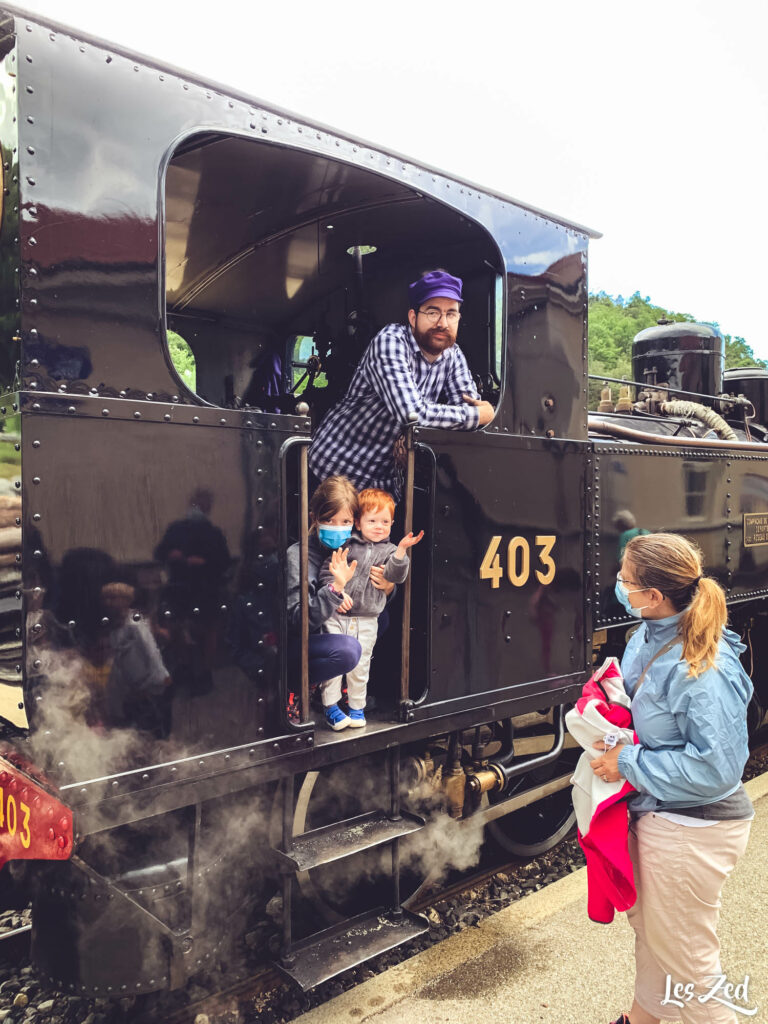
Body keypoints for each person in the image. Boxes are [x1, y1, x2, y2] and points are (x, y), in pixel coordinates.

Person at [590, 533, 754, 1024]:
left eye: (625, 580)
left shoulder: (701, 667)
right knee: (655, 933)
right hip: (666, 813)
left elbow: (716, 768)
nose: (619, 586)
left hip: (692, 826)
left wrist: (628, 763)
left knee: (690, 964)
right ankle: (643, 1018)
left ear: (654, 596)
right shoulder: (651, 630)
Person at [308, 270, 495, 499]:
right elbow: (412, 413)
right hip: (335, 470)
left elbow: (465, 414)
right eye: (433, 312)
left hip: (382, 485)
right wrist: (479, 416)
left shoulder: (453, 355)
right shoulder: (391, 340)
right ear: (413, 317)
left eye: (451, 314)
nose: (442, 323)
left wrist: (420, 438)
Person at [285, 476, 393, 725]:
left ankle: (343, 686)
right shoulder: (298, 555)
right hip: (303, 644)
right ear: (314, 518)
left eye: (345, 521)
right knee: (348, 651)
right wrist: (335, 591)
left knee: (381, 618)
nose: (337, 527)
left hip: (342, 626)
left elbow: (377, 592)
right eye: (329, 520)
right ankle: (302, 689)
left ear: (354, 521)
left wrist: (387, 587)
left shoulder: (356, 548)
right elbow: (296, 620)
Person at [317, 488, 423, 729]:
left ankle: (356, 708)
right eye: (372, 520)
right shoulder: (346, 545)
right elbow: (327, 572)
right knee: (335, 666)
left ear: (392, 523)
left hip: (367, 618)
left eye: (385, 521)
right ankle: (331, 707)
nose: (379, 526)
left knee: (361, 666)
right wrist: (336, 591)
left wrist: (402, 550)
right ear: (358, 522)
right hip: (338, 615)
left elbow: (397, 575)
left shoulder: (389, 551)